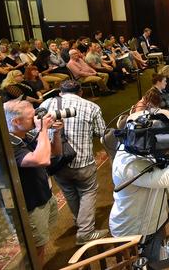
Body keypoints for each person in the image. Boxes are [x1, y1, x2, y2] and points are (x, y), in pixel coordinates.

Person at [109, 123, 169, 264]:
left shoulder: (141, 149)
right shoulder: (127, 162)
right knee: (142, 264)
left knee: (154, 259)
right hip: (133, 229)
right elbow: (163, 179)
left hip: (154, 220)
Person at [39, 80, 109, 244]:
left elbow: (36, 129)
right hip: (82, 160)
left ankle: (80, 221)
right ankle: (85, 231)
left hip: (56, 161)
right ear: (81, 92)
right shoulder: (91, 107)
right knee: (87, 192)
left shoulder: (47, 103)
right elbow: (101, 132)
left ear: (60, 92)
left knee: (69, 191)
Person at [5, 99, 62, 267]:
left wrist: (56, 133)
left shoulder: (26, 134)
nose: (38, 118)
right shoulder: (8, 144)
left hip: (42, 194)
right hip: (29, 205)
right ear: (16, 122)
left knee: (41, 244)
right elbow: (42, 159)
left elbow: (54, 153)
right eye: (33, 117)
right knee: (34, 249)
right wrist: (43, 129)